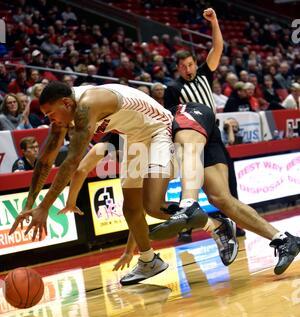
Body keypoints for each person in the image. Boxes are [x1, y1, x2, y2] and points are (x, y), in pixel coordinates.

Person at [10, 81, 229, 286]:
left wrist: (45, 208)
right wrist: (30, 203)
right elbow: (44, 162)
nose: (51, 120)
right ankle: (149, 260)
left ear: (66, 103)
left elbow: (72, 162)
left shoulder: (88, 105)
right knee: (131, 208)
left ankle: (216, 225)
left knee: (152, 206)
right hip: (132, 136)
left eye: (51, 114)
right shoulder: (64, 114)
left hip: (157, 128)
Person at [149, 102, 300, 276]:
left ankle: (190, 206)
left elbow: (136, 205)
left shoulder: (133, 127)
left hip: (186, 118)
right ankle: (284, 240)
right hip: (190, 130)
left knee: (161, 199)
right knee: (221, 199)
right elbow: (140, 205)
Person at [164, 8, 245, 240]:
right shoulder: (173, 89)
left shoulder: (204, 74)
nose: (188, 69)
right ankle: (185, 227)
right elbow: (172, 120)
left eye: (190, 64)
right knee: (191, 181)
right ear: (177, 68)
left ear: (194, 63)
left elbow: (217, 48)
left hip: (214, 135)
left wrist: (215, 22)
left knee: (228, 180)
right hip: (191, 138)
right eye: (183, 67)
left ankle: (234, 221)